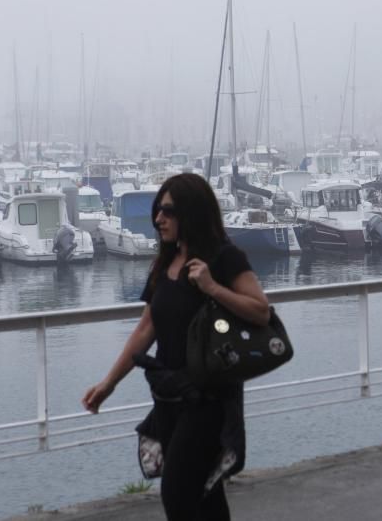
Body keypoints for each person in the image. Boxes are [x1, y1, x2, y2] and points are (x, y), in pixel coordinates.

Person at [82, 173, 270, 520]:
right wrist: (108, 384)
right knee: (206, 495)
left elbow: (261, 312)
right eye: (157, 211)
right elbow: (146, 328)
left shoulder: (225, 258)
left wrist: (213, 287)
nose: (158, 219)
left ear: (192, 213)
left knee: (177, 492)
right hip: (168, 398)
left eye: (167, 211)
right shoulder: (164, 264)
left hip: (208, 399)